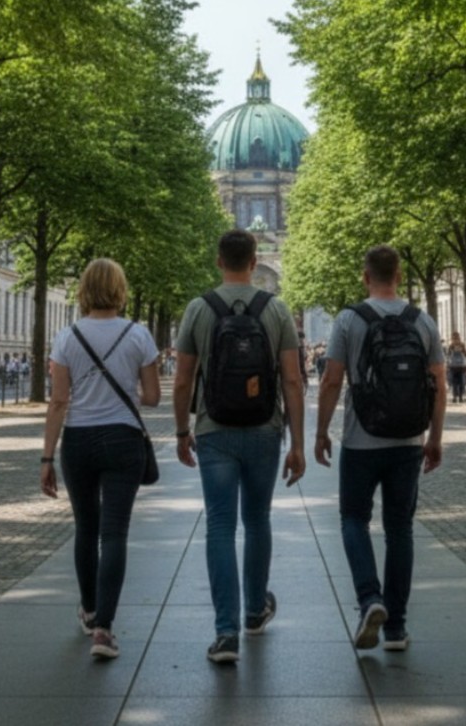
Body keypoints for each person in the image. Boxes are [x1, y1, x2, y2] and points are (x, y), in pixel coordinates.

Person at [173, 229, 305, 665]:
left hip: (214, 429)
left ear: (218, 261)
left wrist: (180, 432)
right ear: (253, 262)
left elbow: (183, 379)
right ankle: (253, 612)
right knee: (258, 520)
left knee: (219, 526)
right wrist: (298, 442)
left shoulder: (198, 308)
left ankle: (225, 632)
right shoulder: (277, 308)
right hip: (266, 428)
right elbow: (291, 381)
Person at [315, 245, 446, 652]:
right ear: (401, 275)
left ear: (364, 275)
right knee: (400, 529)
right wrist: (435, 438)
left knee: (354, 519)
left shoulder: (349, 319)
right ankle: (396, 628)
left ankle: (370, 599)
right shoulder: (422, 320)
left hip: (360, 439)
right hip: (408, 440)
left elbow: (332, 380)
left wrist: (320, 432)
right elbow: (438, 386)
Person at [40, 258, 160, 661]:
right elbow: (153, 396)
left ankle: (89, 611)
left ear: (84, 290)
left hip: (78, 441)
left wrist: (46, 457)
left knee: (85, 529)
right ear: (121, 289)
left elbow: (58, 401)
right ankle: (105, 631)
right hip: (123, 438)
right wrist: (124, 387)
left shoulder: (66, 336)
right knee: (115, 533)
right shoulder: (139, 334)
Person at [445, 332, 466, 403]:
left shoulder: (451, 346)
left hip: (454, 366)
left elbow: (448, 356)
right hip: (460, 366)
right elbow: (465, 355)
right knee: (460, 382)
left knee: (455, 382)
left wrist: (447, 365)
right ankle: (459, 397)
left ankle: (456, 397)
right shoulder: (461, 345)